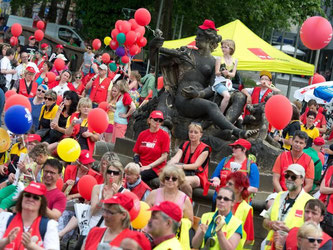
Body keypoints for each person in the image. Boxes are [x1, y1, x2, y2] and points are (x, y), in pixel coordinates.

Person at [151, 19, 256, 138]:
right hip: (183, 98)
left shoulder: (214, 62)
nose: (196, 38)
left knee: (237, 97)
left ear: (209, 40)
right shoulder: (186, 53)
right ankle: (237, 131)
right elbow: (156, 61)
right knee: (211, 106)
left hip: (199, 97)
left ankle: (222, 129)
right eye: (197, 35)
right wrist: (153, 48)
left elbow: (213, 87)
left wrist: (198, 94)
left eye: (199, 36)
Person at [262, 164, 313, 250]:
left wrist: (290, 232)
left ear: (302, 180)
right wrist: (271, 224)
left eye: (293, 177)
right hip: (271, 246)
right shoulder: (279, 196)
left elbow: (312, 234)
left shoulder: (310, 202)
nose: (289, 179)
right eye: (287, 176)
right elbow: (265, 220)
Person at [0, 182, 60, 249]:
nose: (31, 199)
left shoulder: (49, 225)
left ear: (42, 203)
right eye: (27, 195)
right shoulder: (6, 218)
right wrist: (6, 241)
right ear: (21, 198)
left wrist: (31, 246)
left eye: (36, 197)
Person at [211, 138, 259, 204]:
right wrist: (216, 180)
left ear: (244, 150)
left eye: (236, 147)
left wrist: (237, 191)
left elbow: (254, 188)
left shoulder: (252, 166)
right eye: (232, 147)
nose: (233, 149)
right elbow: (215, 176)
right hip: (220, 198)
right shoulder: (225, 160)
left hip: (240, 202)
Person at [169, 122, 211, 198]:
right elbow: (176, 157)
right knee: (166, 178)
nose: (192, 134)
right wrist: (169, 164)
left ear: (200, 135)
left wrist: (180, 167)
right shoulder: (184, 144)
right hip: (183, 172)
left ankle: (187, 204)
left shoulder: (205, 149)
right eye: (191, 132)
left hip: (198, 175)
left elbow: (196, 166)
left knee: (183, 182)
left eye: (196, 132)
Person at [133, 110, 170, 183]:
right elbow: (136, 153)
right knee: (127, 173)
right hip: (141, 165)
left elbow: (164, 157)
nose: (158, 122)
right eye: (156, 119)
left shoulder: (165, 135)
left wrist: (149, 166)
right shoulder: (142, 134)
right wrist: (137, 161)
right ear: (149, 120)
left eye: (160, 120)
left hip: (155, 168)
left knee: (136, 176)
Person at [89, 160, 126, 228]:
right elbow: (92, 212)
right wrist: (101, 200)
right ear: (106, 173)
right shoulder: (97, 188)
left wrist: (115, 198)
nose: (111, 175)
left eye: (115, 173)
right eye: (109, 172)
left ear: (120, 175)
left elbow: (122, 217)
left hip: (112, 227)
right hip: (95, 225)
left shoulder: (125, 192)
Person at [226, 172, 254, 248]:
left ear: (240, 188)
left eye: (230, 184)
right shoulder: (221, 202)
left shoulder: (246, 209)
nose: (226, 185)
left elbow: (249, 240)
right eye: (227, 183)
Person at [214, 39, 238, 113]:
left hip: (228, 84)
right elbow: (216, 72)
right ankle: (220, 114)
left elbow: (233, 74)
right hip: (219, 83)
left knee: (239, 96)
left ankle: (238, 116)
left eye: (225, 47)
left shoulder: (235, 60)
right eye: (222, 47)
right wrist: (222, 72)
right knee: (227, 96)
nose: (223, 49)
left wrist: (227, 73)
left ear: (231, 48)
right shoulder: (219, 59)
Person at [112, 79, 136, 144]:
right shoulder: (121, 95)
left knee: (117, 143)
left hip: (121, 123)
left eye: (118, 85)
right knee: (113, 142)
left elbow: (133, 107)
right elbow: (120, 108)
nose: (117, 86)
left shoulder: (126, 95)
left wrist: (126, 115)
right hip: (116, 122)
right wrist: (113, 109)